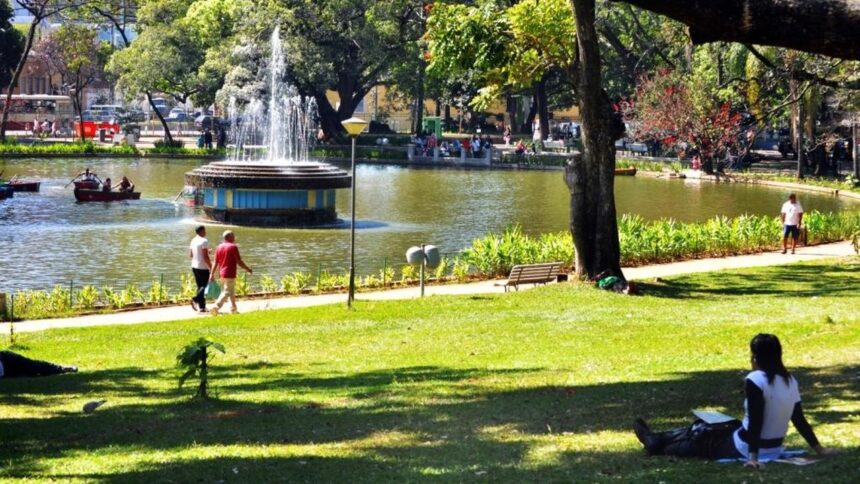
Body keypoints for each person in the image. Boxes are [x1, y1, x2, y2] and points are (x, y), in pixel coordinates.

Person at [633, 334, 835, 466]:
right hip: (772, 446)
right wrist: (819, 449)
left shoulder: (755, 379)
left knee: (703, 435)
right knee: (720, 425)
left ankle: (656, 442)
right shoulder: (790, 380)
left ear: (755, 357)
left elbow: (756, 421)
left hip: (745, 447)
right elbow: (798, 419)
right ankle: (656, 438)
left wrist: (753, 457)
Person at [209, 230, 252, 316]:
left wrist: (212, 273)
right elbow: (239, 261)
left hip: (222, 273)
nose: (234, 237)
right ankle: (216, 307)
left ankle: (233, 309)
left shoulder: (219, 247)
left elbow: (215, 262)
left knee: (231, 291)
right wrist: (247, 269)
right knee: (227, 292)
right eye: (233, 236)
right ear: (229, 237)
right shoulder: (233, 247)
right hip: (230, 273)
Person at [0, 351, 77, 378]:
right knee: (31, 370)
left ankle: (60, 369)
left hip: (6, 360)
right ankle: (60, 369)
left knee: (33, 366)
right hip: (7, 369)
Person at [189, 225, 211, 313]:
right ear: (201, 231)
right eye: (205, 231)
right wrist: (211, 266)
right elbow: (205, 256)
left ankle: (202, 307)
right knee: (205, 286)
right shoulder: (204, 241)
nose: (206, 232)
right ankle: (195, 299)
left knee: (200, 286)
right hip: (202, 266)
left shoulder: (193, 240)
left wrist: (207, 251)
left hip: (194, 266)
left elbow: (191, 254)